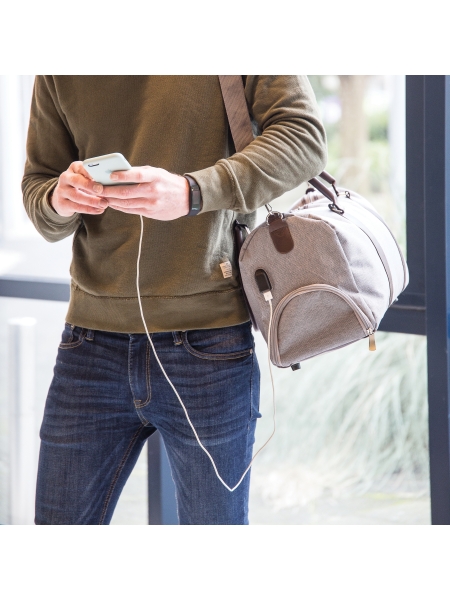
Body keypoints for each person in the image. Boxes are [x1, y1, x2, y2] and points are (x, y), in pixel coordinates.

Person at [22, 76, 327, 525]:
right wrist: (59, 198)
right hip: (87, 347)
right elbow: (39, 188)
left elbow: (302, 138)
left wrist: (192, 191)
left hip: (209, 348)